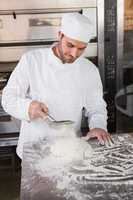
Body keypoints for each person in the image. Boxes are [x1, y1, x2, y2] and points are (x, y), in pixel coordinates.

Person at [2, 13, 112, 159]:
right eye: (70, 45)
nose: (74, 54)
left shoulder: (89, 70)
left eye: (81, 49)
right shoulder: (31, 61)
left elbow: (96, 107)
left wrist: (98, 126)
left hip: (70, 148)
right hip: (34, 149)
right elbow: (8, 99)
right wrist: (28, 107)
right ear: (60, 35)